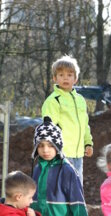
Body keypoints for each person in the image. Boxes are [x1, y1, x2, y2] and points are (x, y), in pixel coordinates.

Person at [41, 55, 93, 185]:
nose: (65, 78)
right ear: (55, 78)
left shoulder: (80, 100)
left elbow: (85, 124)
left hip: (78, 155)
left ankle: (76, 206)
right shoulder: (53, 101)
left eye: (69, 75)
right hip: (62, 154)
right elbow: (48, 128)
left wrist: (88, 143)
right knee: (62, 189)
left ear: (75, 79)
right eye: (61, 74)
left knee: (76, 189)